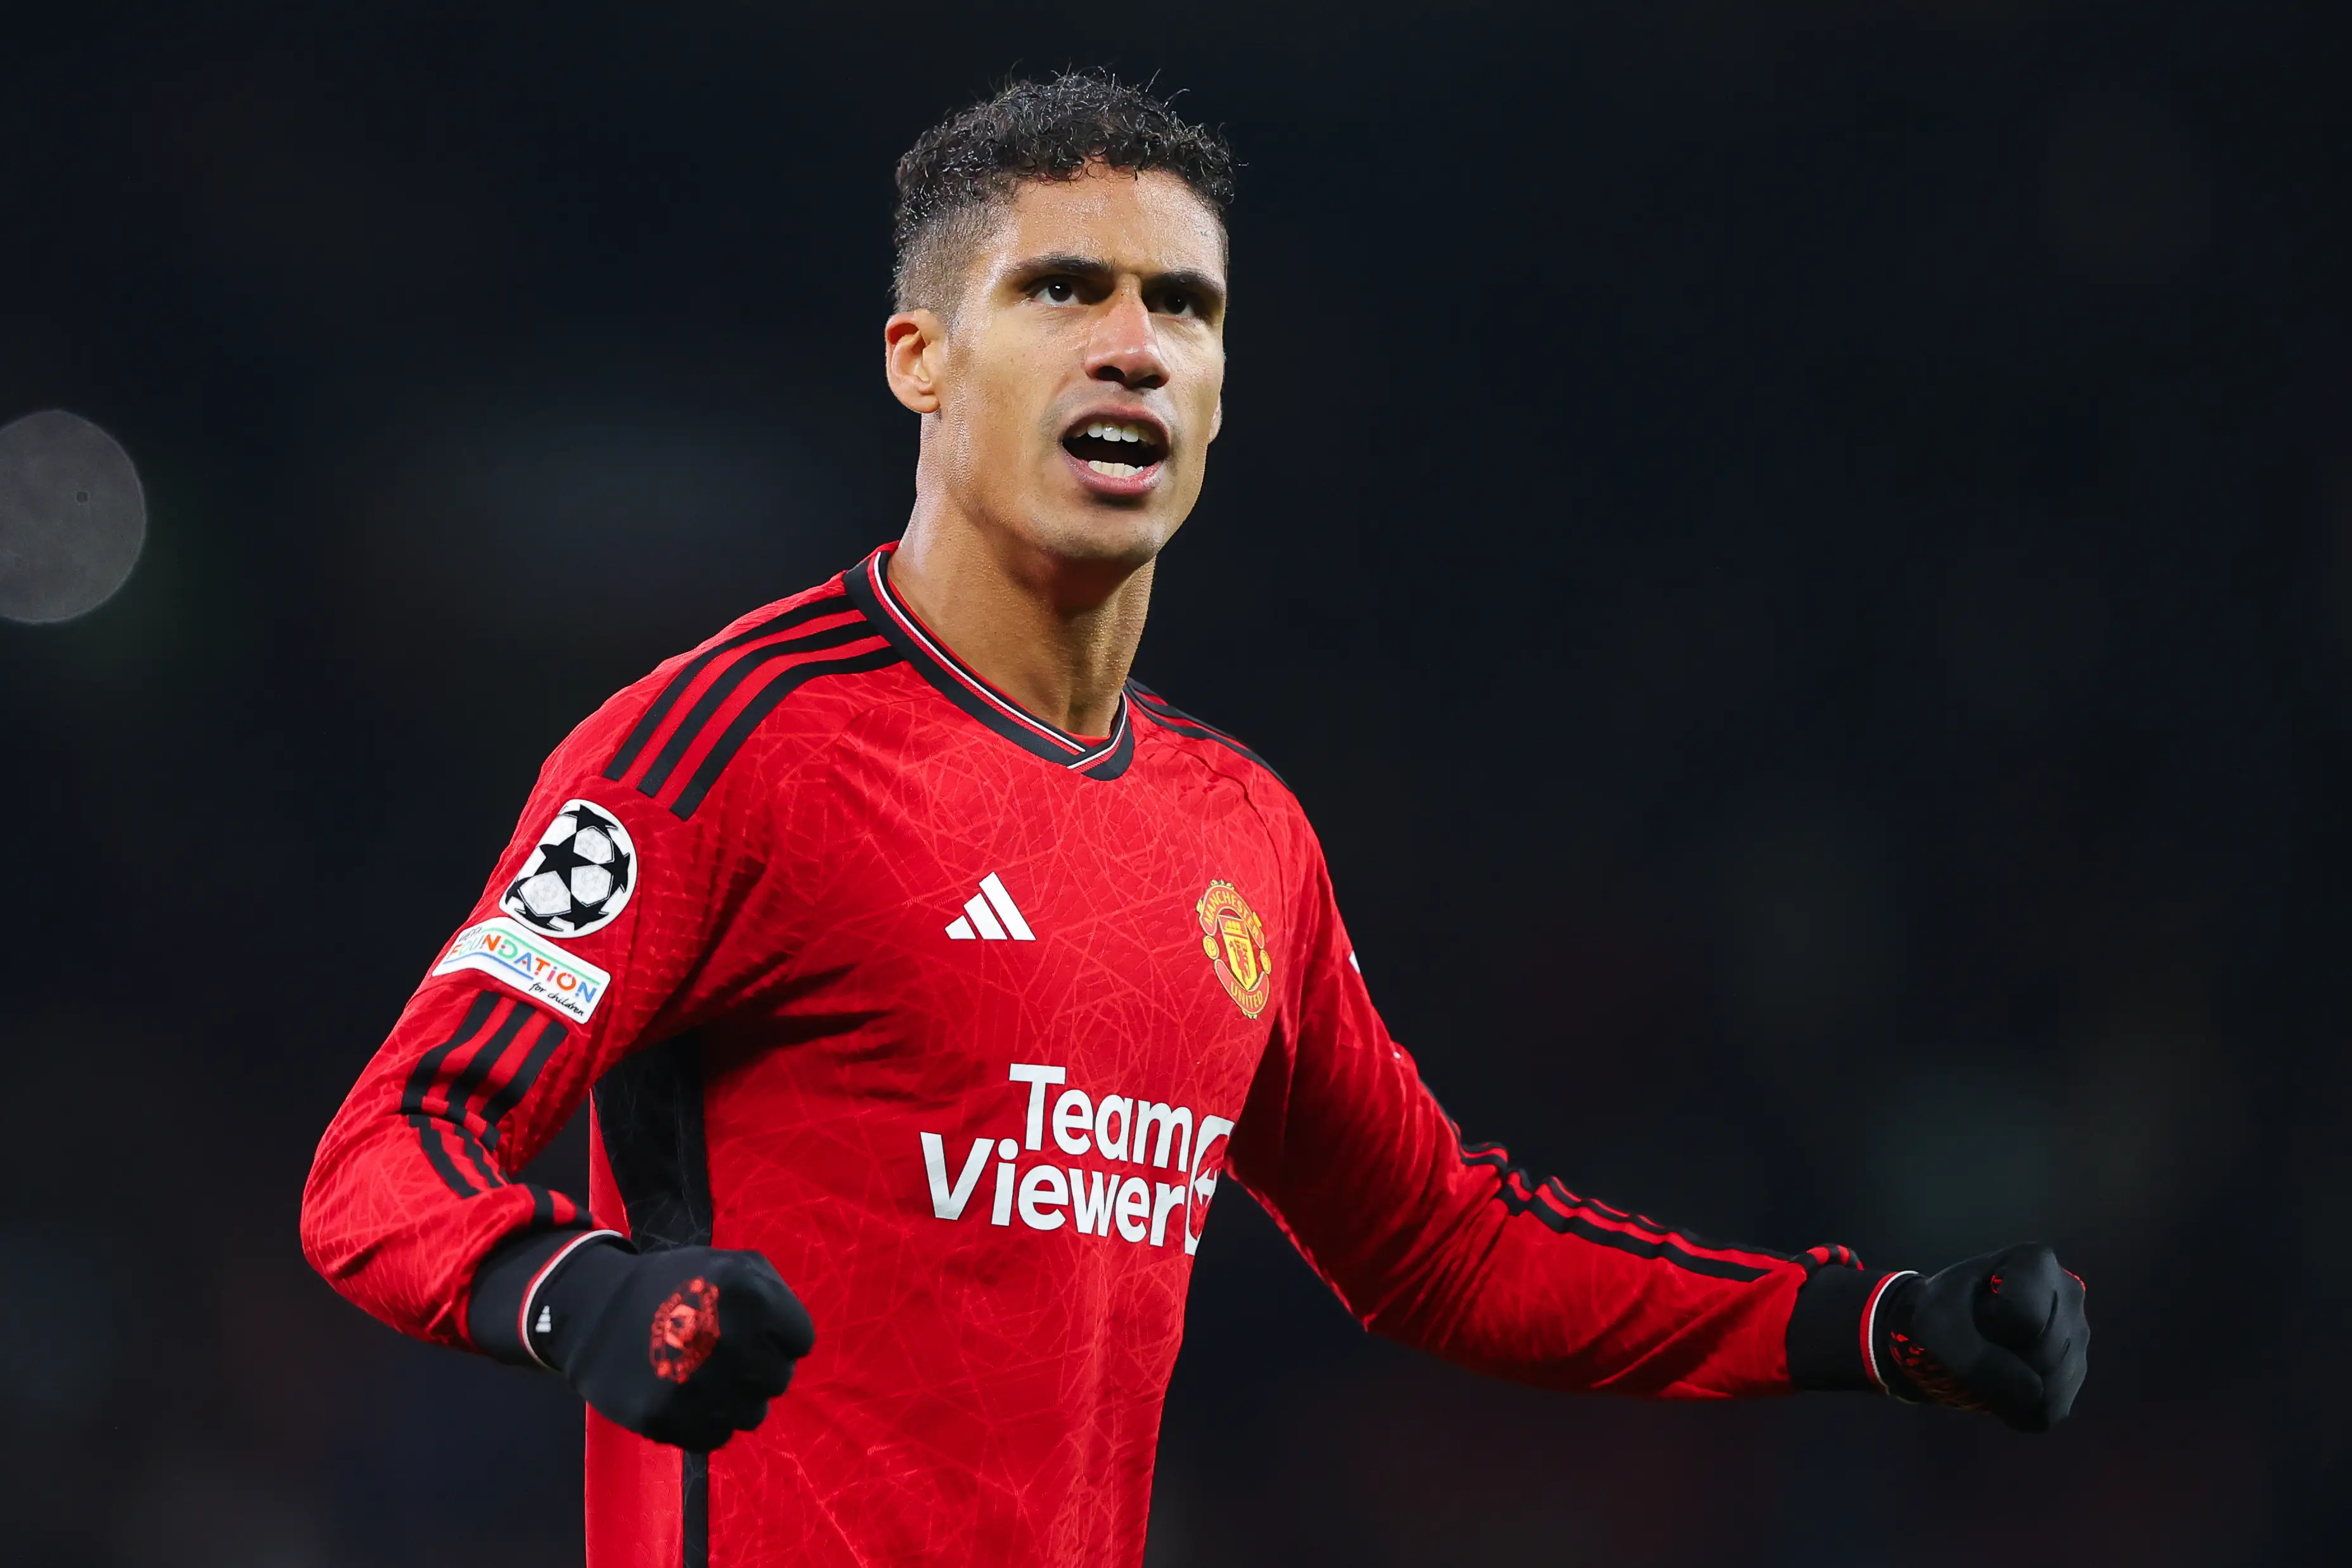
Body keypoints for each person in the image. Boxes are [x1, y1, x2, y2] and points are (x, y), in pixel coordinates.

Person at [300, 71, 2088, 1568]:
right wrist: (587, 1296)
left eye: (1187, 307)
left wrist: (1871, 1323)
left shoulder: (1238, 830)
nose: (1136, 349)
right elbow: (387, 1157)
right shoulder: (723, 751)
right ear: (921, 358)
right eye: (1064, 291)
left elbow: (1444, 1247)